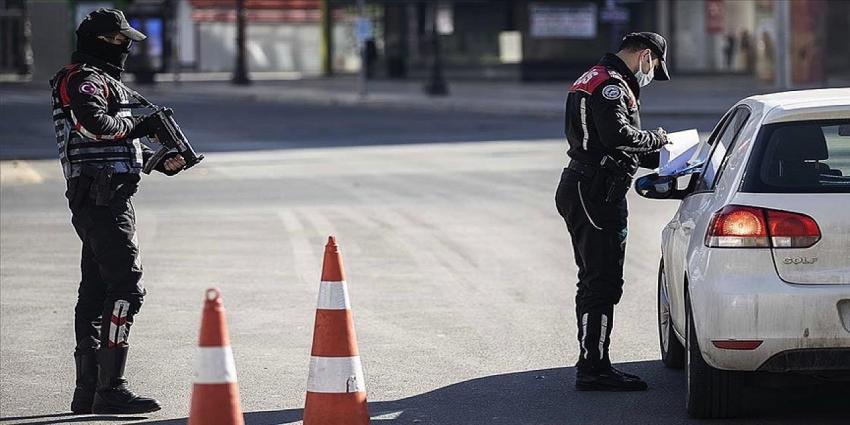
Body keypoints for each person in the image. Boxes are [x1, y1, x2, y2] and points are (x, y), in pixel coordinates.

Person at [49, 8, 186, 414]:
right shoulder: (84, 79)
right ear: (103, 40)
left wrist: (158, 159)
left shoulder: (104, 80)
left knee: (95, 290)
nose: (127, 47)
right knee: (127, 286)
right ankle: (111, 388)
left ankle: (88, 391)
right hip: (100, 195)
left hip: (107, 191)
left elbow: (117, 141)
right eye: (121, 39)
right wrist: (142, 129)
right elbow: (92, 126)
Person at [555, 32, 670, 391]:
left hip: (589, 187)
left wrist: (660, 156)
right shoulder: (611, 85)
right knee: (602, 282)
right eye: (654, 67)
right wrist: (660, 138)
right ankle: (594, 368)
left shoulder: (599, 77)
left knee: (595, 278)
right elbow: (618, 135)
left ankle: (593, 361)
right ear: (645, 56)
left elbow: (618, 142)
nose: (651, 75)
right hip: (595, 191)